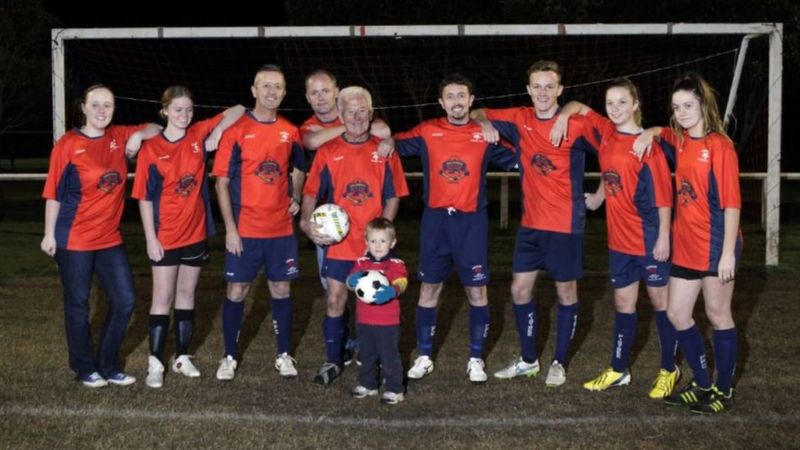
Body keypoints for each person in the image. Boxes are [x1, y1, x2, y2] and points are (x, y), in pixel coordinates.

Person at [380, 73, 517, 383]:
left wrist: (491, 127)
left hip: (471, 223)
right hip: (436, 222)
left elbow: (521, 157)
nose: (457, 101)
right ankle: (425, 355)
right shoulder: (428, 131)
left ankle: (476, 358)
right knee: (429, 288)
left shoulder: (486, 135)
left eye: (462, 96)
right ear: (441, 103)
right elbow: (394, 141)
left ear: (471, 100)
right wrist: (388, 139)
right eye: (450, 97)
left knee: (477, 290)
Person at [471, 61, 600, 386]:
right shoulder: (520, 117)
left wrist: (599, 196)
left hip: (566, 225)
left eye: (549, 86)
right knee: (519, 290)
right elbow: (477, 112)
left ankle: (558, 361)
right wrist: (485, 123)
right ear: (528, 90)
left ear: (559, 90)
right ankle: (529, 359)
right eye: (537, 87)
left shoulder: (577, 125)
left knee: (566, 293)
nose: (543, 92)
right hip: (531, 225)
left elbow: (616, 152)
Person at [552, 78, 679, 398]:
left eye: (622, 102)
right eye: (610, 103)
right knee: (623, 304)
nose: (615, 108)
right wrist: (597, 197)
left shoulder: (647, 146)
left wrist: (663, 237)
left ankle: (669, 369)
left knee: (661, 304)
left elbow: (664, 196)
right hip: (618, 241)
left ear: (636, 105)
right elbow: (577, 107)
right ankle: (619, 369)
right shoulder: (607, 133)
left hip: (649, 238)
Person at [634, 72, 742, 414]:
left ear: (703, 105)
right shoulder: (679, 140)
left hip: (715, 246)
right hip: (686, 246)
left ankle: (722, 391)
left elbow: (732, 204)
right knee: (678, 313)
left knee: (717, 314)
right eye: (676, 107)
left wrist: (727, 254)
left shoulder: (719, 146)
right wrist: (650, 131)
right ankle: (702, 382)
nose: (682, 112)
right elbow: (664, 133)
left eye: (688, 105)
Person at [41, 84, 160, 387]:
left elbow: (156, 127)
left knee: (125, 300)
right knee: (78, 304)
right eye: (95, 105)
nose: (101, 111)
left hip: (109, 238)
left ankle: (108, 364)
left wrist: (137, 135)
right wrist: (48, 234)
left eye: (108, 105)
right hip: (74, 238)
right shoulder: (67, 144)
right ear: (83, 107)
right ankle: (84, 367)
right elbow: (53, 192)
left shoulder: (118, 136)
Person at [131, 85, 245, 388]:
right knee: (162, 297)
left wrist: (218, 131)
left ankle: (181, 356)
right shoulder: (152, 147)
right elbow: (143, 197)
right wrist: (150, 238)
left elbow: (238, 109)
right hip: (165, 236)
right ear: (165, 110)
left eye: (189, 109)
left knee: (186, 296)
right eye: (178, 109)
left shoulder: (197, 135)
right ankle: (155, 361)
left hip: (195, 234)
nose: (184, 115)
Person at [300, 85, 408, 386]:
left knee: (375, 301)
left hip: (372, 247)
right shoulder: (328, 151)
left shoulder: (384, 150)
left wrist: (381, 235)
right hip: (340, 244)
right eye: (351, 111)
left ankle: (374, 358)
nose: (358, 117)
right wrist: (306, 223)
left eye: (363, 111)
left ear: (371, 114)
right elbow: (310, 192)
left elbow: (394, 196)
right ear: (341, 115)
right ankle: (332, 361)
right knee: (334, 299)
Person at [211, 65, 305, 381]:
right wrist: (231, 230)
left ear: (284, 92)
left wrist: (296, 195)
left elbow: (298, 168)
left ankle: (283, 354)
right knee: (237, 289)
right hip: (245, 230)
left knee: (280, 288)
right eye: (265, 86)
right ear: (254, 90)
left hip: (280, 230)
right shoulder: (235, 131)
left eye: (277, 87)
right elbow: (221, 183)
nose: (271, 92)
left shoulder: (290, 131)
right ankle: (228, 356)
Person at [345, 218, 408, 405]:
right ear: (366, 243)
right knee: (366, 354)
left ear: (392, 242)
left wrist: (393, 290)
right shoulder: (362, 263)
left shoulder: (396, 264)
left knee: (389, 356)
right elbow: (349, 283)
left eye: (383, 241)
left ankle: (395, 389)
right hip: (364, 320)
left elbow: (402, 282)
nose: (378, 245)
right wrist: (352, 280)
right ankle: (368, 384)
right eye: (373, 241)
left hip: (387, 322)